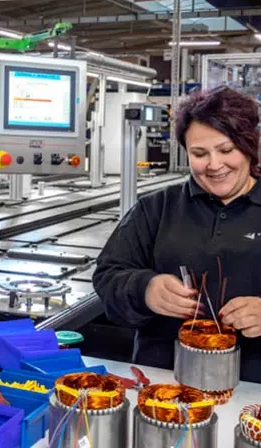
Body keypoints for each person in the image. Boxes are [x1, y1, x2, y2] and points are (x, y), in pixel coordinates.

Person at [92, 85, 261, 383]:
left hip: (253, 387)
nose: (214, 164)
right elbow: (108, 276)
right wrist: (144, 288)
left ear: (250, 146)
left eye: (226, 150)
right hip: (162, 382)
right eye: (199, 153)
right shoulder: (155, 209)